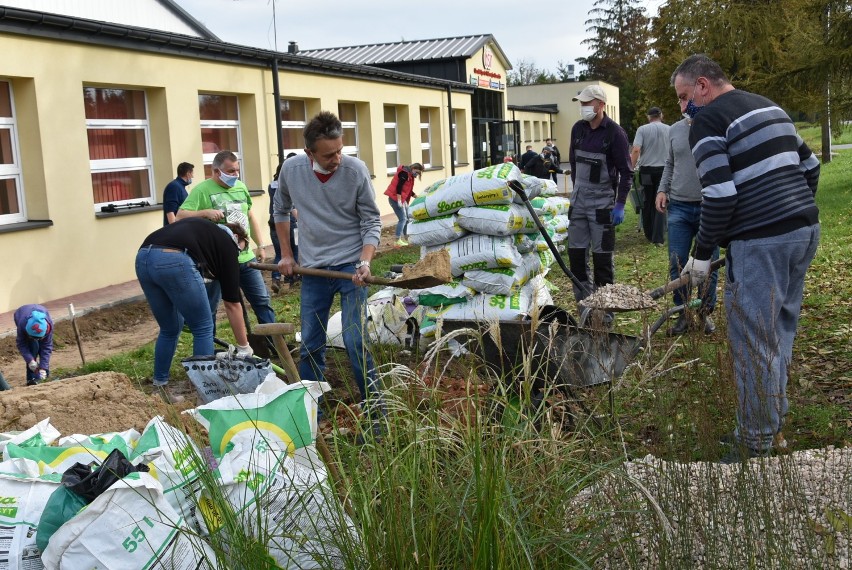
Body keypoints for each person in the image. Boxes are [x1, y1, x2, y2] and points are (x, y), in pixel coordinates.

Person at [671, 54, 820, 462]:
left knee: (753, 341)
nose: (683, 109)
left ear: (703, 85)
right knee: (778, 332)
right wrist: (791, 210)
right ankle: (772, 423)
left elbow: (720, 194)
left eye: (684, 98)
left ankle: (753, 445)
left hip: (761, 244)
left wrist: (701, 255)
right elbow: (810, 166)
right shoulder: (770, 106)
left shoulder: (708, 121)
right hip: (804, 232)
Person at [273, 111, 383, 419]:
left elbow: (371, 219)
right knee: (310, 342)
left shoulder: (355, 170)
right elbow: (280, 208)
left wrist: (365, 261)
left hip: (351, 267)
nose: (337, 158)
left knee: (354, 338)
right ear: (309, 153)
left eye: (340, 150)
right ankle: (313, 412)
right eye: (329, 154)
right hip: (314, 269)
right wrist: (286, 255)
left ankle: (376, 409)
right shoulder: (292, 170)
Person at [135, 218, 252, 392]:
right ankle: (203, 390)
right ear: (236, 237)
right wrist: (244, 347)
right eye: (241, 249)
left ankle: (160, 387)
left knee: (170, 328)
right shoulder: (227, 244)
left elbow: (211, 283)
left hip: (144, 257)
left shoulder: (204, 232)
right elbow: (232, 304)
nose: (237, 255)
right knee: (203, 327)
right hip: (175, 259)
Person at [176, 150, 276, 326]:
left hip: (246, 258)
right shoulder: (202, 190)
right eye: (230, 171)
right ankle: (208, 349)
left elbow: (249, 216)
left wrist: (260, 245)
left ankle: (274, 343)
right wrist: (205, 212)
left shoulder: (241, 187)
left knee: (262, 300)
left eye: (237, 170)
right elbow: (180, 216)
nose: (235, 175)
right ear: (216, 171)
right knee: (211, 306)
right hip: (216, 262)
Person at [567, 85, 633, 307]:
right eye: (582, 103)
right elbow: (574, 165)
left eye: (587, 103)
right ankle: (585, 307)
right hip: (578, 203)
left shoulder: (615, 133)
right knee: (576, 258)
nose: (583, 107)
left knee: (602, 260)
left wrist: (620, 204)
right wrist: (577, 192)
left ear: (600, 105)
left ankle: (604, 314)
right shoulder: (578, 129)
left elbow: (627, 172)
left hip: (602, 205)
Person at [655, 116, 719, 336]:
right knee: (677, 261)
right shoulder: (674, 130)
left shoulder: (714, 124)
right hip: (679, 206)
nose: (682, 105)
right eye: (679, 99)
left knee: (707, 263)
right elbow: (669, 163)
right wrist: (662, 189)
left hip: (708, 205)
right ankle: (683, 313)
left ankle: (704, 312)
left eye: (685, 98)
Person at [631, 107, 669, 245]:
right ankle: (658, 237)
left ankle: (648, 233)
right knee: (662, 201)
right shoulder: (669, 129)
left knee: (647, 201)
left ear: (649, 117)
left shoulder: (642, 130)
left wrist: (631, 167)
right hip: (664, 171)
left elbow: (636, 149)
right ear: (661, 115)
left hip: (646, 170)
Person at [384, 162, 423, 247]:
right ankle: (397, 240)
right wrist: (399, 200)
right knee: (403, 219)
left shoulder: (410, 175)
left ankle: (406, 238)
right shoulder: (404, 173)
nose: (416, 174)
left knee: (407, 218)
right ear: (413, 168)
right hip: (395, 198)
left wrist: (417, 197)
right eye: (416, 172)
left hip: (402, 199)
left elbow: (408, 190)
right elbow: (399, 187)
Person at [14, 304, 54, 386]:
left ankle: (44, 375)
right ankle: (31, 379)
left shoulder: (49, 326)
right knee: (32, 348)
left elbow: (46, 347)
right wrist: (30, 360)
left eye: (39, 338)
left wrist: (43, 367)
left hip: (41, 312)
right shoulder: (22, 325)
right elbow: (21, 344)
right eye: (33, 337)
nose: (37, 340)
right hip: (21, 313)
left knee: (41, 349)